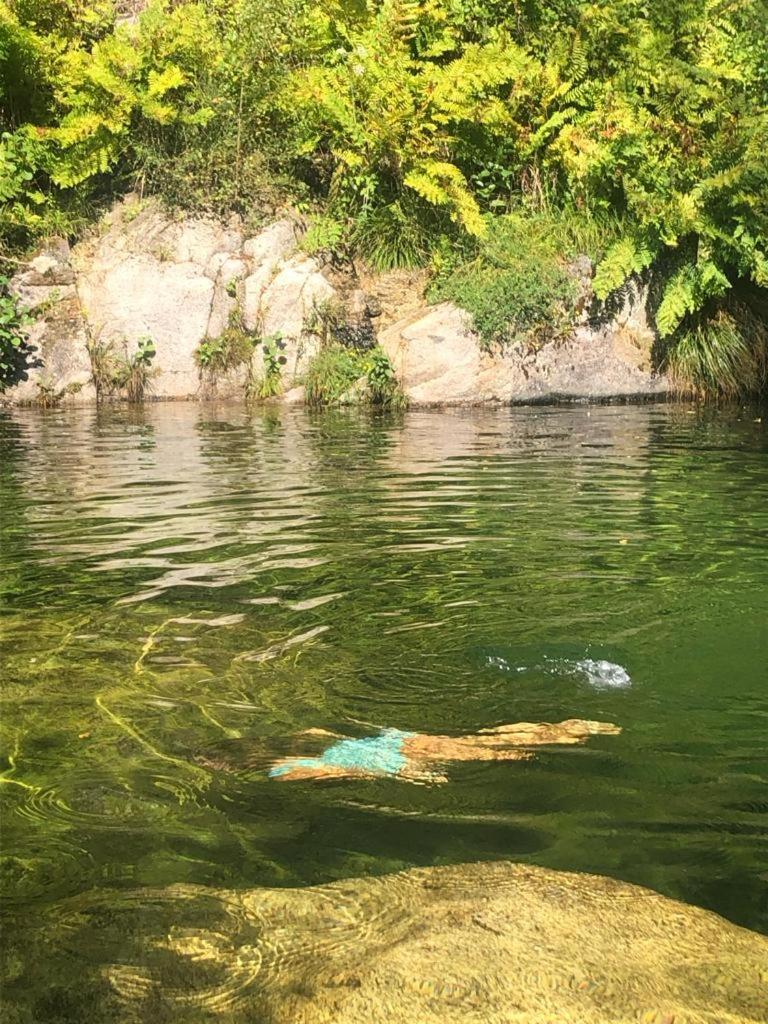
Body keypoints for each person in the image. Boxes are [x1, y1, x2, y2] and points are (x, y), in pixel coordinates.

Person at [268, 719, 621, 783]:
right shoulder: (326, 751)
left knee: (498, 753)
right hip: (398, 740)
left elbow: (387, 767)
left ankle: (570, 733)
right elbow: (316, 733)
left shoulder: (331, 767)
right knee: (482, 740)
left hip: (401, 752)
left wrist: (423, 777)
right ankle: (563, 728)